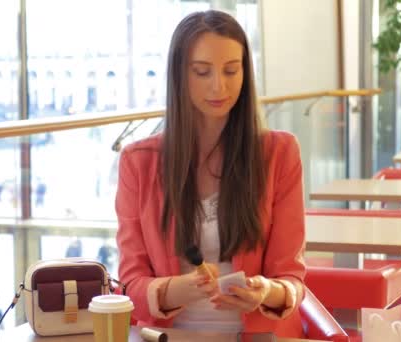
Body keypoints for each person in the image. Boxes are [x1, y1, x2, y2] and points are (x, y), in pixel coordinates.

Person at [115, 10, 306, 338]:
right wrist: (175, 289)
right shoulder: (138, 162)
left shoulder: (279, 153)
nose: (219, 86)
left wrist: (265, 291)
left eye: (232, 70)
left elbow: (292, 279)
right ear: (179, 75)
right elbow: (130, 283)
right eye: (202, 72)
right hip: (168, 337)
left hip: (259, 337)